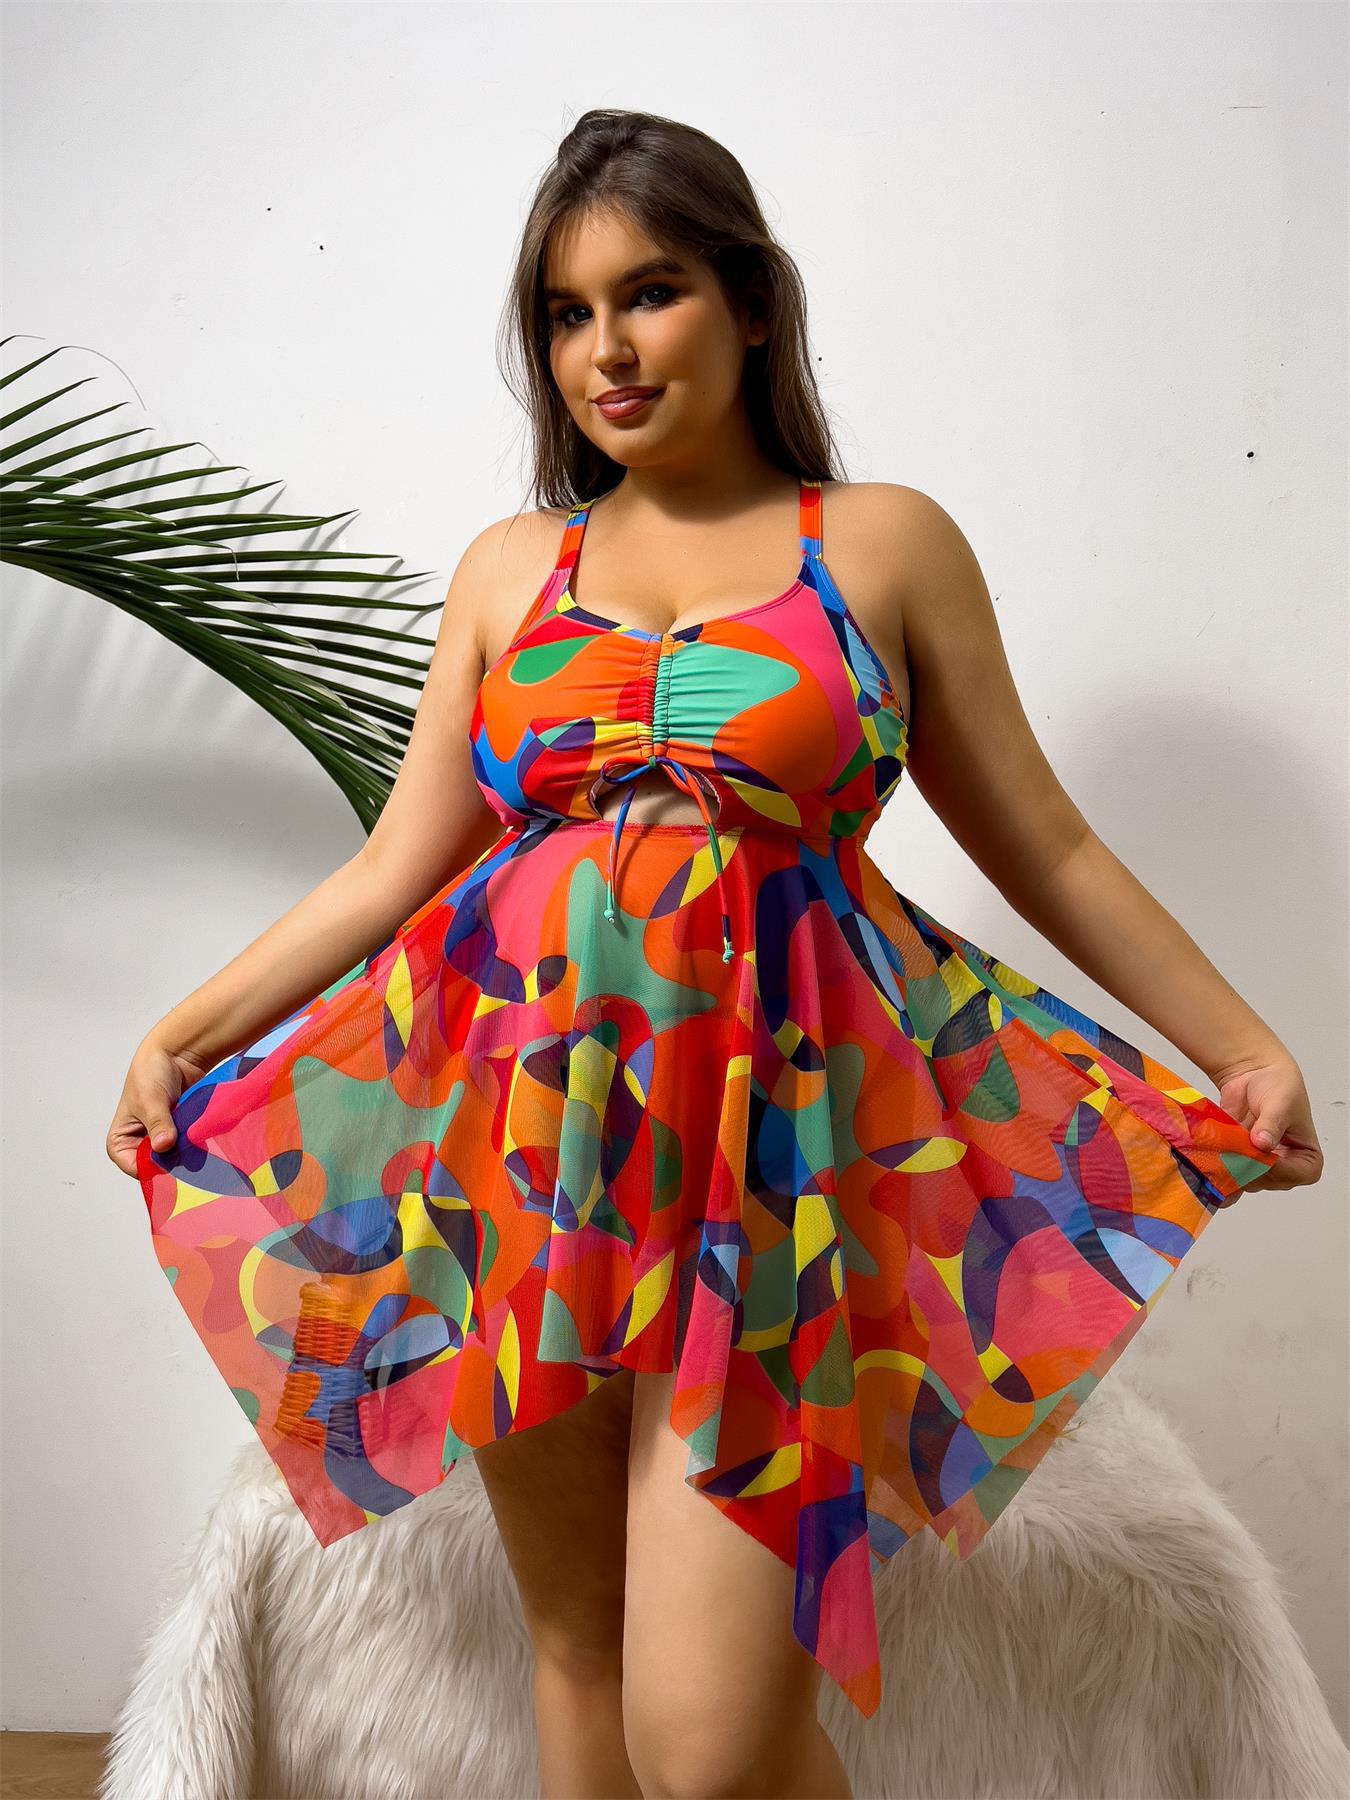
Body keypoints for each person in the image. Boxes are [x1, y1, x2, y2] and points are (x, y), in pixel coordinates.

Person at [107, 108, 1322, 1800]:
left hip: (764, 1180)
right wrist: (187, 1029)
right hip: (525, 1152)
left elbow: (1040, 840)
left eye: (649, 292)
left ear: (751, 304)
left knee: (709, 1738)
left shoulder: (878, 544)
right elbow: (397, 863)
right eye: (565, 311)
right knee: (577, 1655)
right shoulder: (511, 569)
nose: (603, 349)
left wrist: (1239, 1044)